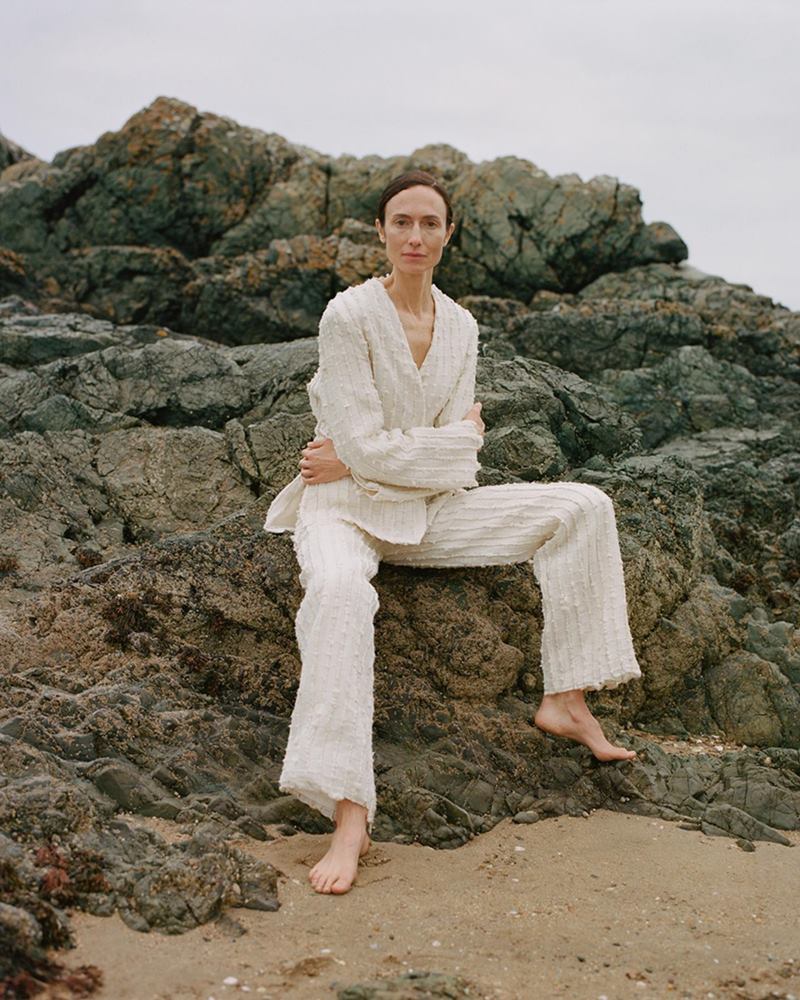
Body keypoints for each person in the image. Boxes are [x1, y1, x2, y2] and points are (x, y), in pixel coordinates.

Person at [263, 170, 642, 895]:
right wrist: (404, 449)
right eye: (400, 221)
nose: (414, 235)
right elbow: (426, 445)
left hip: (427, 509)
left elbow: (453, 457)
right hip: (339, 506)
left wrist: (382, 449)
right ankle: (348, 815)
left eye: (428, 223)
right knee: (342, 592)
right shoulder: (347, 317)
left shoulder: (462, 326)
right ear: (380, 231)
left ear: (448, 234)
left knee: (585, 506)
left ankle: (566, 699)